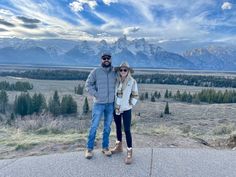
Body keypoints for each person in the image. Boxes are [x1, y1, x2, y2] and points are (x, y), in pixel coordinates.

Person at [84, 52, 116, 159]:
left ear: (111, 59)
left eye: (108, 58)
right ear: (101, 59)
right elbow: (88, 85)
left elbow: (123, 80)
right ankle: (89, 149)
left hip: (110, 104)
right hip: (98, 104)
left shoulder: (114, 72)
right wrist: (97, 95)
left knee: (107, 127)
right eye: (104, 58)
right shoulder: (95, 71)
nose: (106, 60)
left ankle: (105, 147)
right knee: (94, 126)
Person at [111, 61, 139, 164]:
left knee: (127, 130)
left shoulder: (132, 81)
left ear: (128, 71)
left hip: (126, 109)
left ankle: (129, 151)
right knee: (118, 127)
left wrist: (130, 104)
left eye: (125, 70)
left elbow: (135, 95)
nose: (123, 71)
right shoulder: (116, 80)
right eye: (121, 70)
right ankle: (118, 146)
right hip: (116, 108)